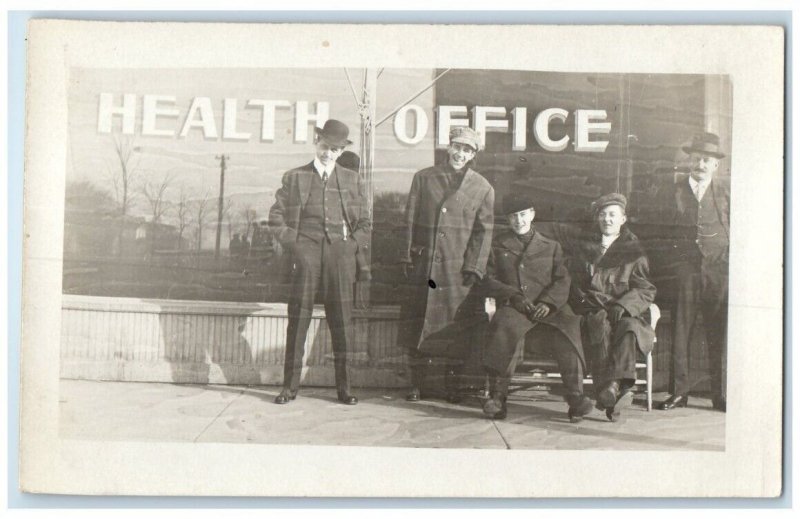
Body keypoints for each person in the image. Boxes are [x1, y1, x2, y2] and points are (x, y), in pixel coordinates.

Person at [268, 119, 371, 406]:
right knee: (298, 320)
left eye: (335, 149)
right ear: (317, 143)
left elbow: (364, 222)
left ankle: (345, 389)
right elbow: (276, 218)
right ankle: (289, 388)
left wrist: (350, 247)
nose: (328, 153)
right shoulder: (295, 177)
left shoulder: (352, 179)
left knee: (342, 324)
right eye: (325, 146)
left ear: (341, 152)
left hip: (340, 255)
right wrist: (296, 244)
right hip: (306, 254)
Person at [398, 126, 495, 402]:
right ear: (448, 147)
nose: (460, 154)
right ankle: (416, 384)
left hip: (456, 271)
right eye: (456, 147)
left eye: (467, 150)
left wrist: (473, 268)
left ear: (473, 154)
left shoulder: (482, 188)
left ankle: (452, 386)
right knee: (418, 324)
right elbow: (410, 219)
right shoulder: (424, 178)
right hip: (424, 265)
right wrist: (406, 255)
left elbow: (483, 232)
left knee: (454, 329)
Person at [481, 194, 590, 422]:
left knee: (568, 329)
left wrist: (548, 302)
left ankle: (576, 398)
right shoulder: (498, 245)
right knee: (505, 326)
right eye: (512, 216)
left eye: (522, 214)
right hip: (515, 307)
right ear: (508, 220)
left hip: (550, 310)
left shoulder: (552, 246)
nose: (518, 221)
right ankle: (498, 398)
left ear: (532, 214)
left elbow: (563, 279)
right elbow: (488, 279)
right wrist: (513, 296)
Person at [569, 193, 657, 422]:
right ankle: (614, 390)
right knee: (599, 325)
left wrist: (623, 304)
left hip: (624, 312)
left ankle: (613, 386)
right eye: (603, 214)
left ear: (623, 219)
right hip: (593, 311)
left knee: (628, 328)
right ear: (597, 218)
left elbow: (645, 288)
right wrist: (589, 302)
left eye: (612, 215)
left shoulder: (633, 250)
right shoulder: (584, 248)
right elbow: (574, 285)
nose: (607, 219)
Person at [658, 132, 729, 412]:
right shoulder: (672, 192)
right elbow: (660, 233)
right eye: (697, 158)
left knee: (719, 332)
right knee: (681, 331)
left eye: (707, 160)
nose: (701, 163)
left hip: (718, 271)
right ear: (690, 160)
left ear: (716, 165)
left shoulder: (725, 193)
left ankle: (719, 394)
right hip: (685, 272)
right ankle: (679, 392)